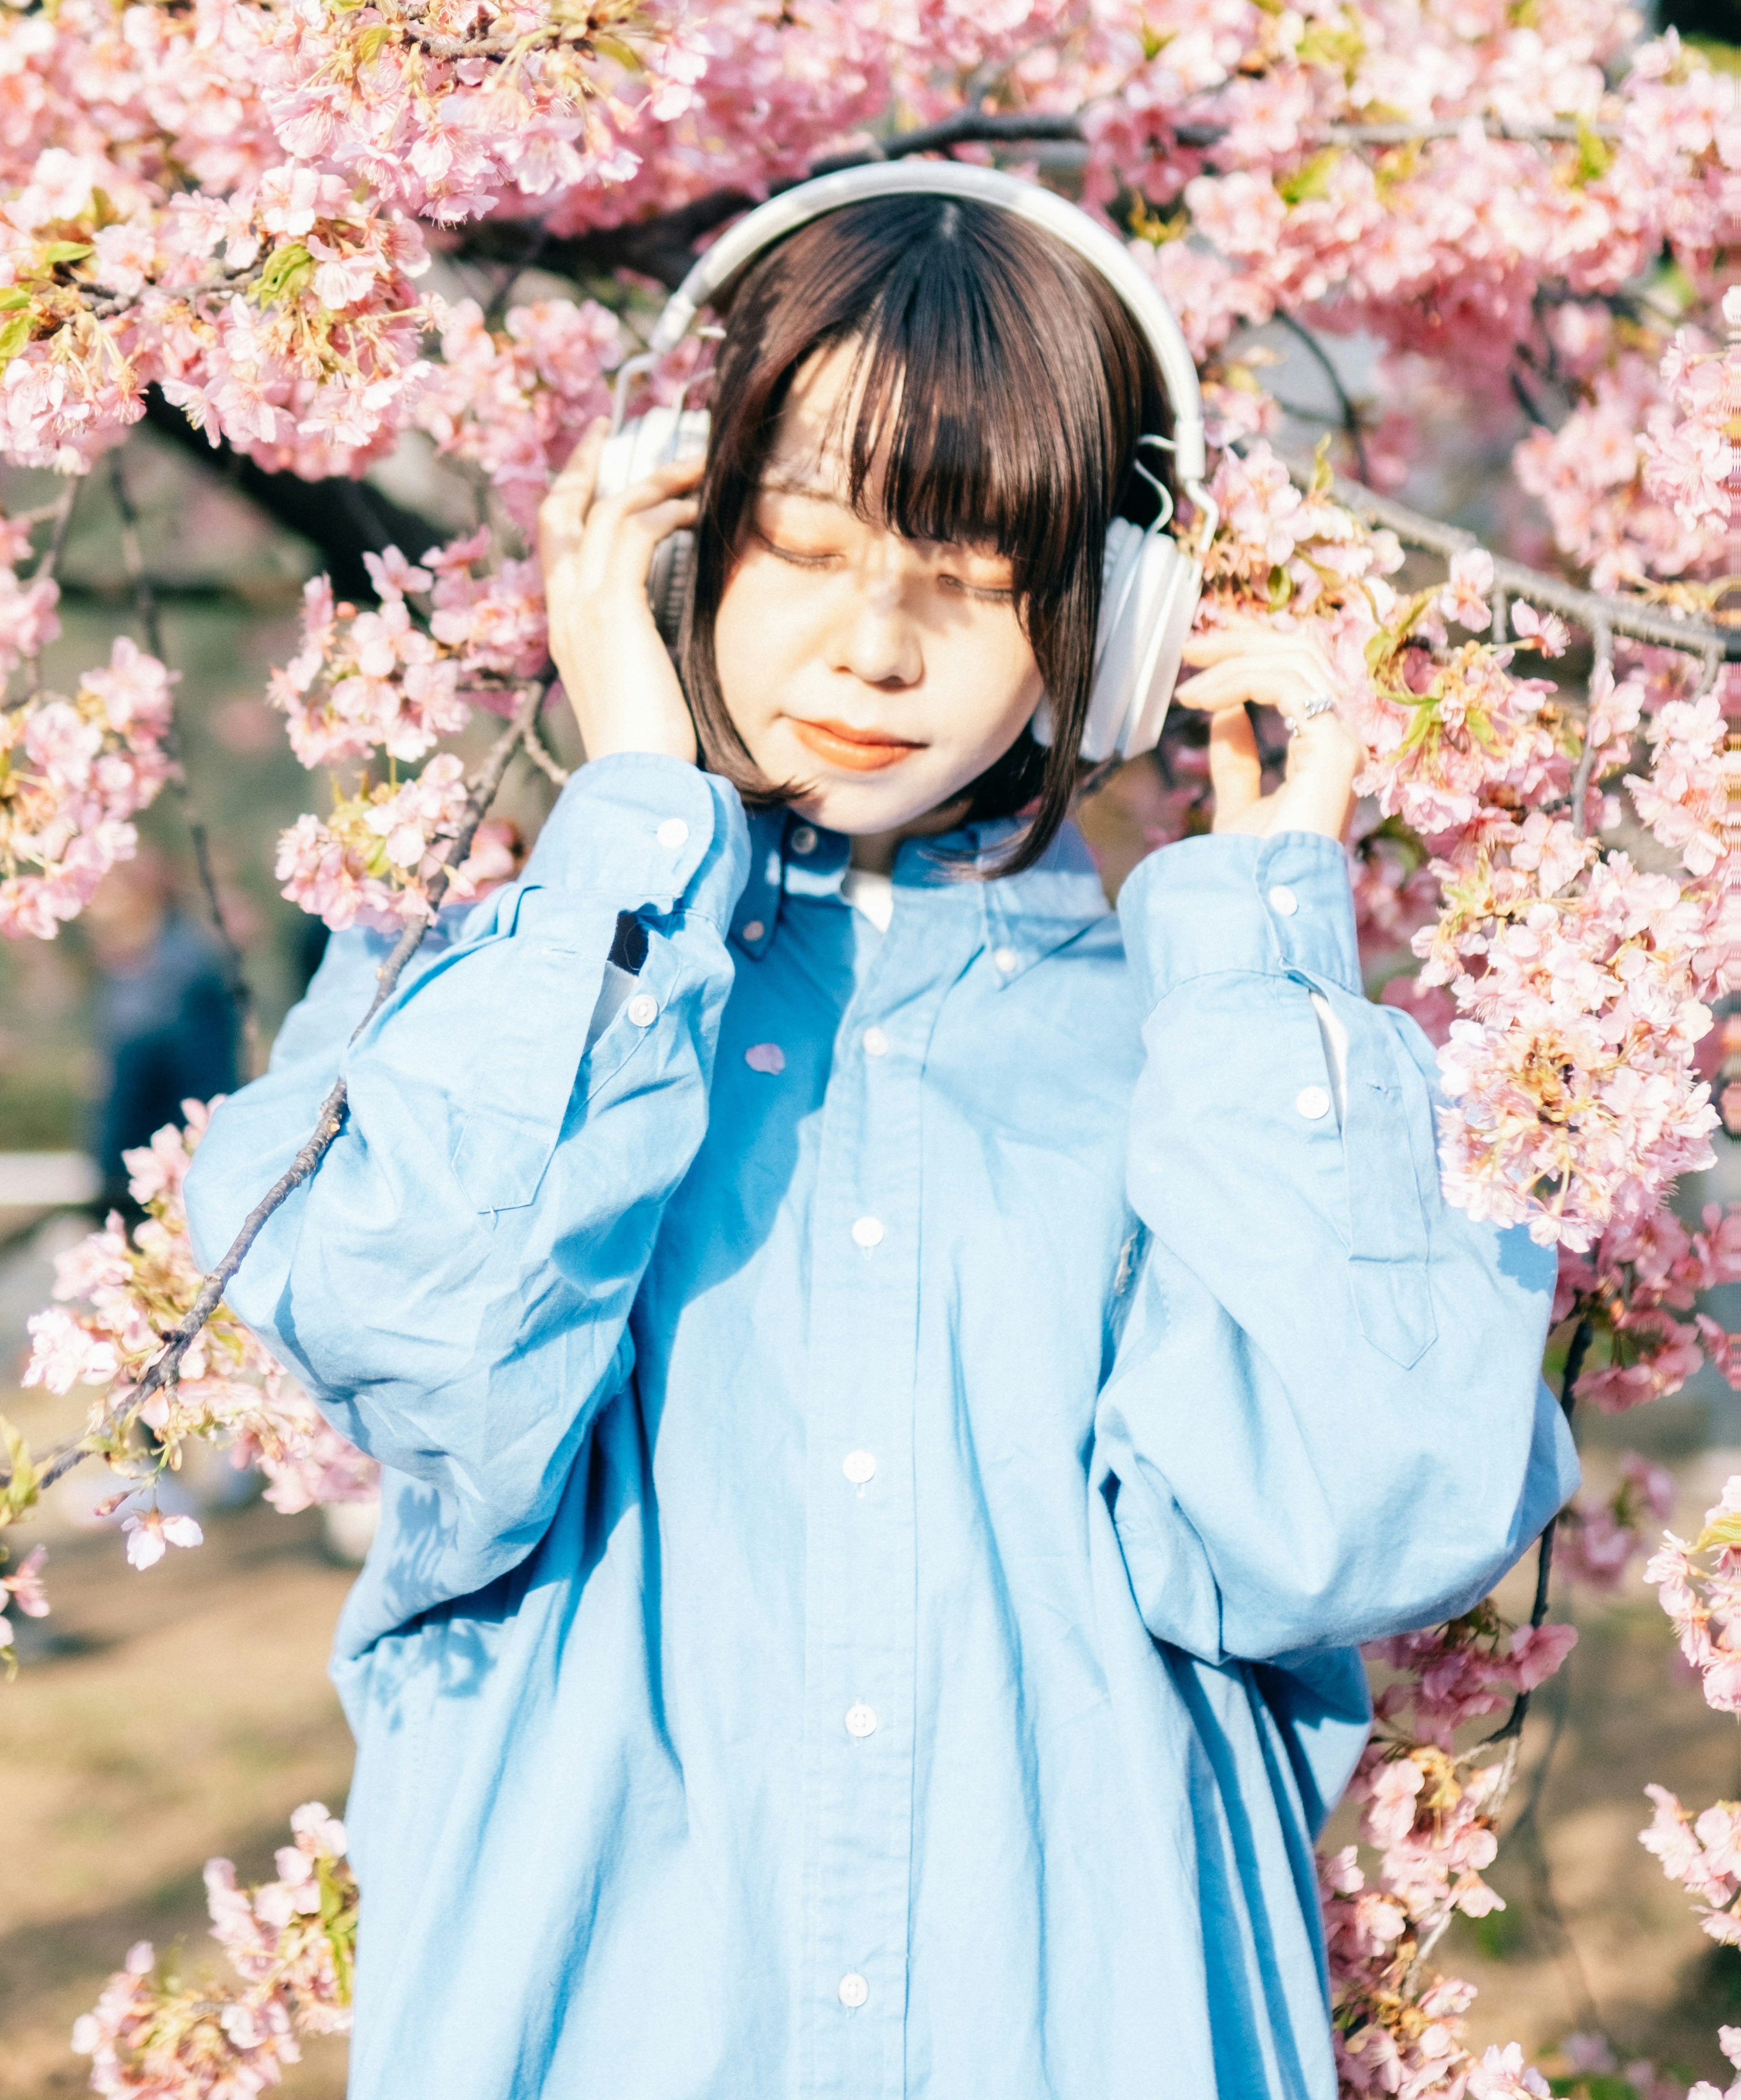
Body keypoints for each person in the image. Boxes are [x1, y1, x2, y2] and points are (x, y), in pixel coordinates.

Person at [185, 185, 1575, 2100]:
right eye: (793, 543)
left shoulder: (1210, 1052)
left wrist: (1265, 940)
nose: (874, 649)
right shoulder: (474, 996)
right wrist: (635, 830)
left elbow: (1347, 1530)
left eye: (981, 579)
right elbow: (428, 1371)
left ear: (1106, 620)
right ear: (663, 539)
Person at [84, 849, 239, 1213]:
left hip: (167, 1163)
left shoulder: (182, 966)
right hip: (141, 1165)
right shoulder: (134, 965)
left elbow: (195, 1077)